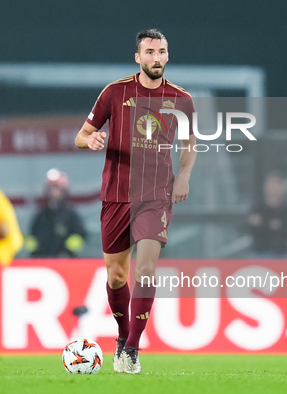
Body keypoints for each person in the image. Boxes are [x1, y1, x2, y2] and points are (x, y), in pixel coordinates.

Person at [74, 29, 196, 374]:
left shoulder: (181, 99)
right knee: (115, 276)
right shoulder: (115, 93)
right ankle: (123, 335)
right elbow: (80, 136)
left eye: (162, 51)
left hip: (155, 195)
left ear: (167, 56)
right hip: (116, 194)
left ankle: (131, 349)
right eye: (150, 52)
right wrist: (92, 140)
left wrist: (184, 176)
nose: (157, 57)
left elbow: (190, 147)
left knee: (145, 268)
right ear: (138, 58)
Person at [25, 168, 87, 257]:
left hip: (66, 264)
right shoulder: (40, 216)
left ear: (63, 190)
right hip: (43, 263)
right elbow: (32, 238)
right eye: (51, 188)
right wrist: (36, 253)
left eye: (57, 187)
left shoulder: (71, 215)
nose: (53, 191)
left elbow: (80, 236)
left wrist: (68, 252)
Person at [248, 174, 287, 258]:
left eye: (276, 188)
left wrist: (263, 224)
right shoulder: (258, 208)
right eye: (272, 188)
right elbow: (252, 229)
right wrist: (270, 226)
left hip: (281, 253)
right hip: (260, 253)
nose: (274, 191)